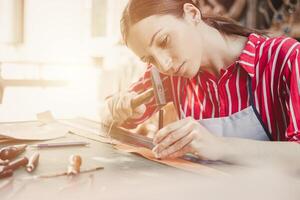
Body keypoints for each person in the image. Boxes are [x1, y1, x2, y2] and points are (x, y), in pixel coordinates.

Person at [101, 0, 300, 166]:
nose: (164, 63)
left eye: (164, 41)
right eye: (149, 59)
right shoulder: (166, 76)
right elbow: (113, 114)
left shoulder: (284, 57)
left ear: (192, 13)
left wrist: (220, 146)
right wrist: (116, 109)